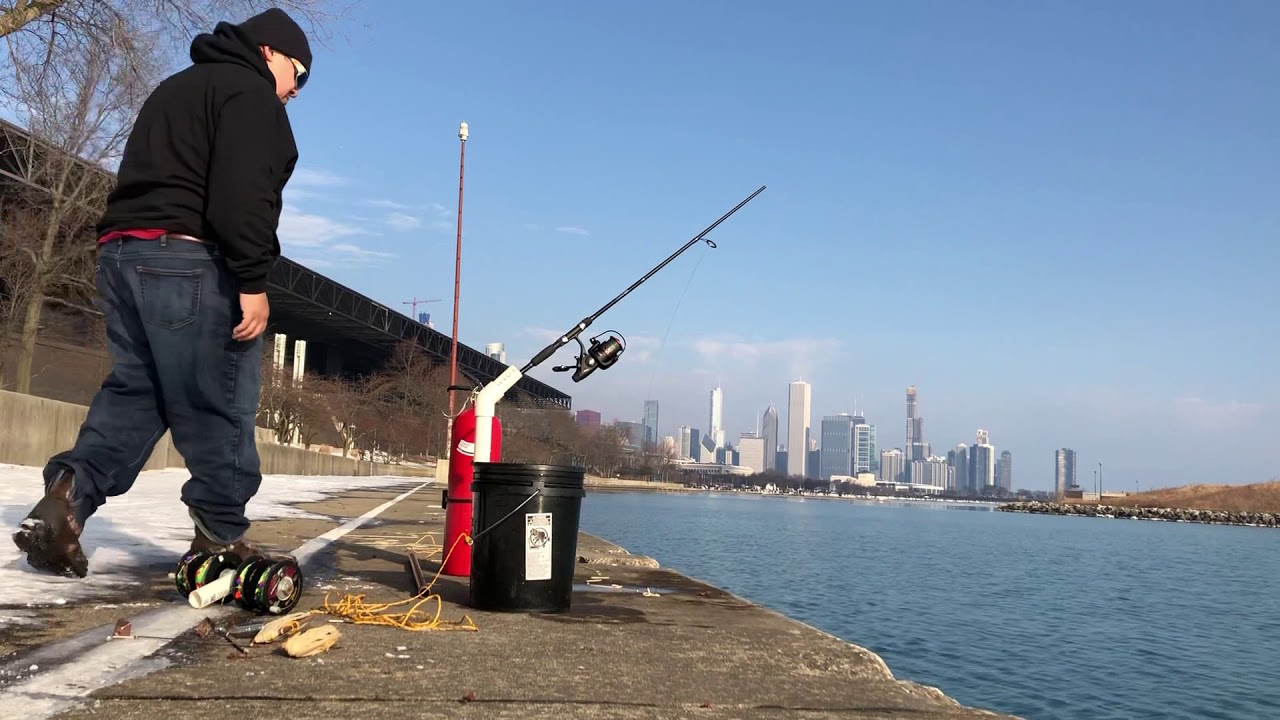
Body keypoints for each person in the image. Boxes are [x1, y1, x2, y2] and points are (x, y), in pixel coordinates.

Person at [12, 8, 312, 578]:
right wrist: (252, 280)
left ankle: (66, 500)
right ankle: (220, 539)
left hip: (122, 254)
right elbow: (242, 195)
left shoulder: (176, 88)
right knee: (219, 398)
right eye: (300, 73)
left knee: (137, 393)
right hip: (189, 261)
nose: (297, 89)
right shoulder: (250, 96)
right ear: (270, 52)